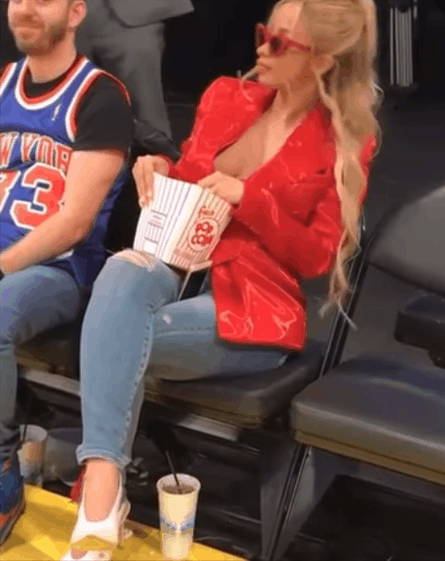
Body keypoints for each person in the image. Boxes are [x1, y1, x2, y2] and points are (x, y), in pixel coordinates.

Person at [64, 1, 382, 559]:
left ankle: (96, 503)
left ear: (323, 61)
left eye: (279, 42)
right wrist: (161, 169)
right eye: (263, 32)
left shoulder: (344, 141)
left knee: (113, 332)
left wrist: (250, 199)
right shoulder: (227, 97)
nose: (261, 48)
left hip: (254, 308)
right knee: (120, 271)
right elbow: (190, 179)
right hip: (178, 268)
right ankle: (103, 492)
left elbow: (316, 255)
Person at [0, 0, 133, 546]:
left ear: (76, 12)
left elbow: (74, 222)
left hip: (57, 271)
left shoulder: (99, 96)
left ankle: (3, 476)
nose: (25, 8)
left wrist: (0, 265)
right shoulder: (3, 84)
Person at [76, 0, 194, 159]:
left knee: (148, 117)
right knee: (60, 104)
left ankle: (158, 165)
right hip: (54, 10)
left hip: (132, 11)